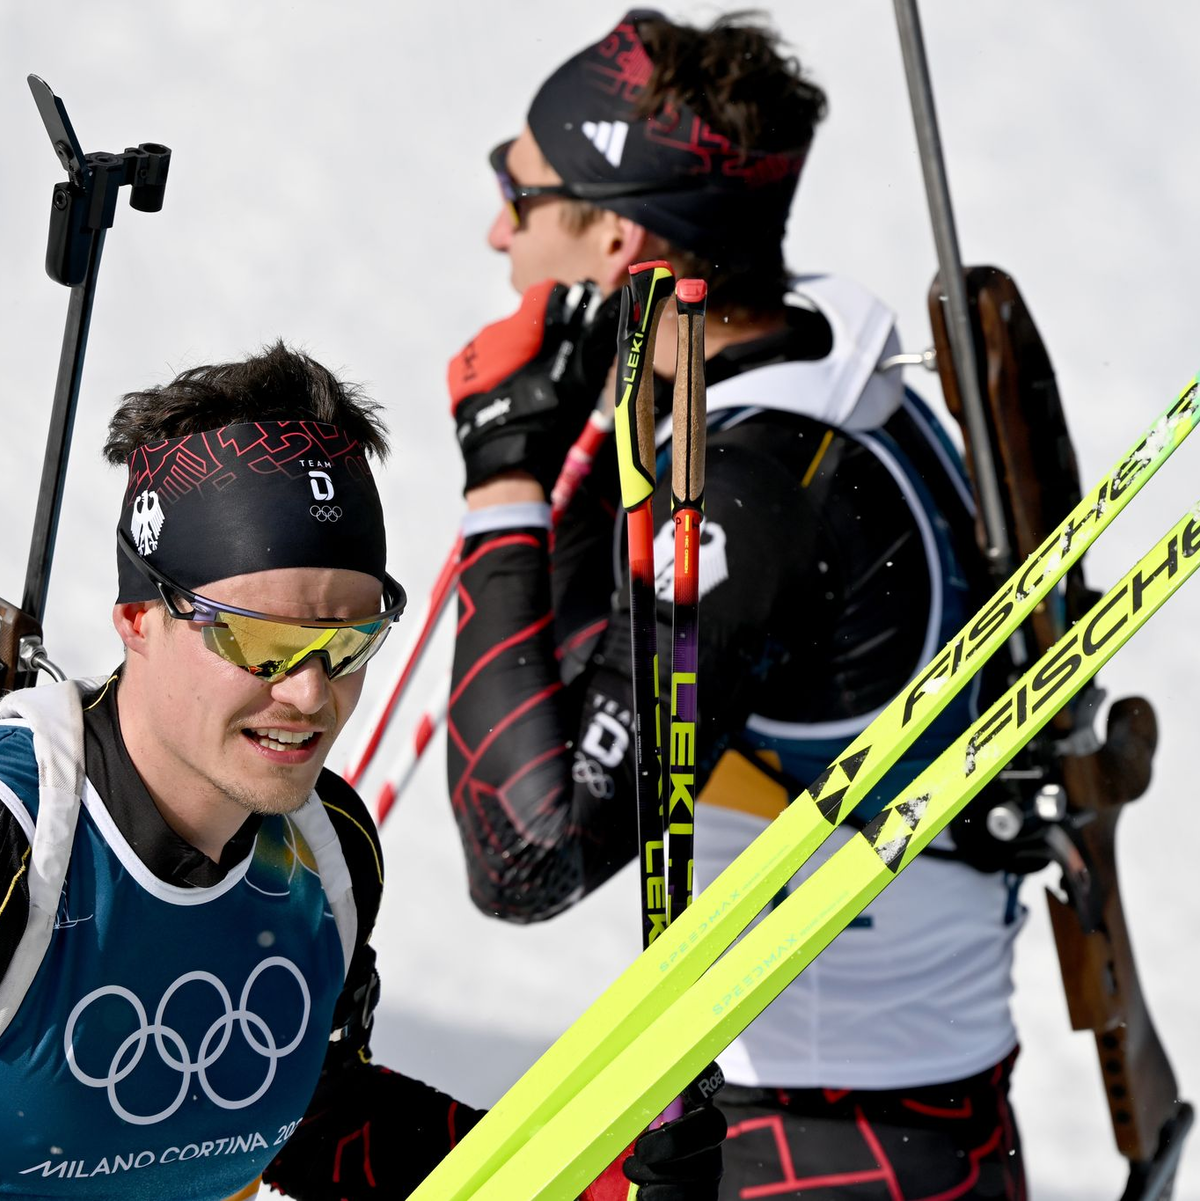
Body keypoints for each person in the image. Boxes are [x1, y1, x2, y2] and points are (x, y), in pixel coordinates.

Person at [444, 11, 1029, 1199]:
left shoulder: (747, 495)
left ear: (617, 240)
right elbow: (586, 666)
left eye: (520, 189)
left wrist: (502, 481)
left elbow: (526, 856)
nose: (497, 227)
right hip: (879, 1103)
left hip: (825, 1137)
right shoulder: (805, 359)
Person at [0, 342, 721, 1201]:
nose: (310, 694)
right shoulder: (22, 833)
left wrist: (601, 1181)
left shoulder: (326, 849)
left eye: (349, 642)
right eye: (262, 641)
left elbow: (313, 1122)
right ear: (137, 617)